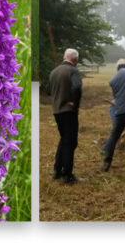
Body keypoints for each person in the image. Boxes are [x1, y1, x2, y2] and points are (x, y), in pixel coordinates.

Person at [48, 48, 83, 183]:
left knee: (64, 139)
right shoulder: (73, 71)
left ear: (64, 57)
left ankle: (57, 170)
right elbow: (76, 87)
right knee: (70, 142)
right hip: (68, 111)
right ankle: (67, 175)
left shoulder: (53, 72)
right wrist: (75, 104)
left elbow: (48, 90)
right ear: (75, 60)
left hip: (56, 111)